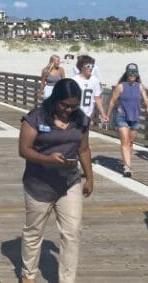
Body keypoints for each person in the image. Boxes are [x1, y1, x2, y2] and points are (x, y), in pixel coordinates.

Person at [18, 78, 94, 283]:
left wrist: (89, 177)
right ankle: (28, 275)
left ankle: (67, 280)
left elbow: (84, 149)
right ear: (55, 100)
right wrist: (47, 159)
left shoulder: (82, 119)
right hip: (38, 183)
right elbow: (24, 150)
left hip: (69, 182)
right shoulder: (36, 118)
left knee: (72, 232)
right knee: (34, 231)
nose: (69, 110)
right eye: (65, 105)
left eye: (73, 106)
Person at [105, 63, 148, 177]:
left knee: (131, 142)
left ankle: (127, 163)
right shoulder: (121, 86)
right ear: (126, 73)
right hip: (121, 117)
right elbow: (112, 101)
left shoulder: (139, 86)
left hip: (135, 118)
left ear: (137, 74)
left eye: (134, 73)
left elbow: (146, 99)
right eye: (130, 73)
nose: (132, 75)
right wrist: (107, 115)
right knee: (125, 141)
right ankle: (127, 167)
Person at [71, 55, 108, 125]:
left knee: (85, 134)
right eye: (88, 66)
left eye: (92, 66)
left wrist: (103, 114)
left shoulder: (94, 81)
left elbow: (97, 99)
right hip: (75, 113)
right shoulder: (74, 80)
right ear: (81, 67)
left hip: (88, 114)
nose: (91, 68)